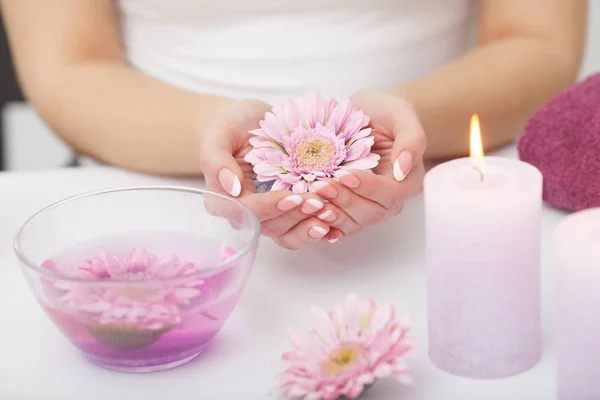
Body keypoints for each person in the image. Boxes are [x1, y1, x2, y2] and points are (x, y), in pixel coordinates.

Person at [1, 0, 587, 249]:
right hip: (155, 192)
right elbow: (67, 68)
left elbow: (538, 42)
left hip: (446, 192)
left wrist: (396, 127)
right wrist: (221, 136)